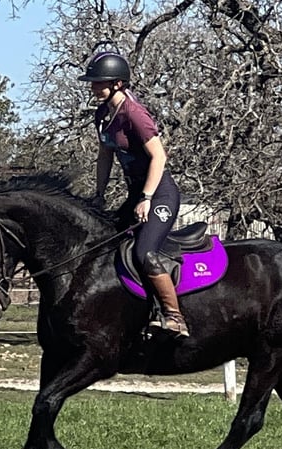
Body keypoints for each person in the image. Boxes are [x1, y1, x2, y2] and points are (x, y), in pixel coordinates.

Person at [78, 51, 189, 338]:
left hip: (160, 194)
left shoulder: (134, 114)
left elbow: (159, 157)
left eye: (98, 82)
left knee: (144, 251)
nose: (93, 87)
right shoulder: (102, 115)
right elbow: (105, 156)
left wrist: (147, 197)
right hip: (136, 194)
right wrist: (99, 193)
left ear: (117, 84)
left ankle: (174, 317)